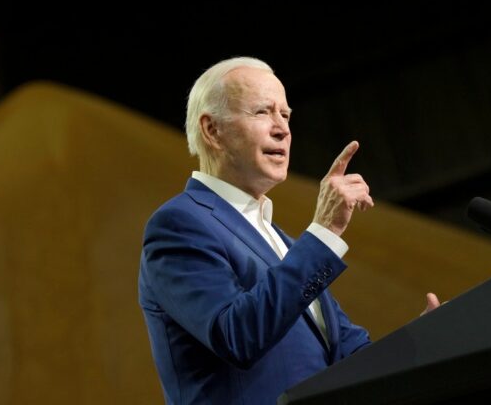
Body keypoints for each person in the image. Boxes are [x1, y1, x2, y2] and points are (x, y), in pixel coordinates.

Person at [138, 56, 439, 404]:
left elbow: (349, 356)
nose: (282, 129)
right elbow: (237, 336)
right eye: (262, 112)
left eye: (285, 115)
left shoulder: (284, 243)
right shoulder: (179, 224)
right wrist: (325, 230)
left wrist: (421, 340)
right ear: (212, 130)